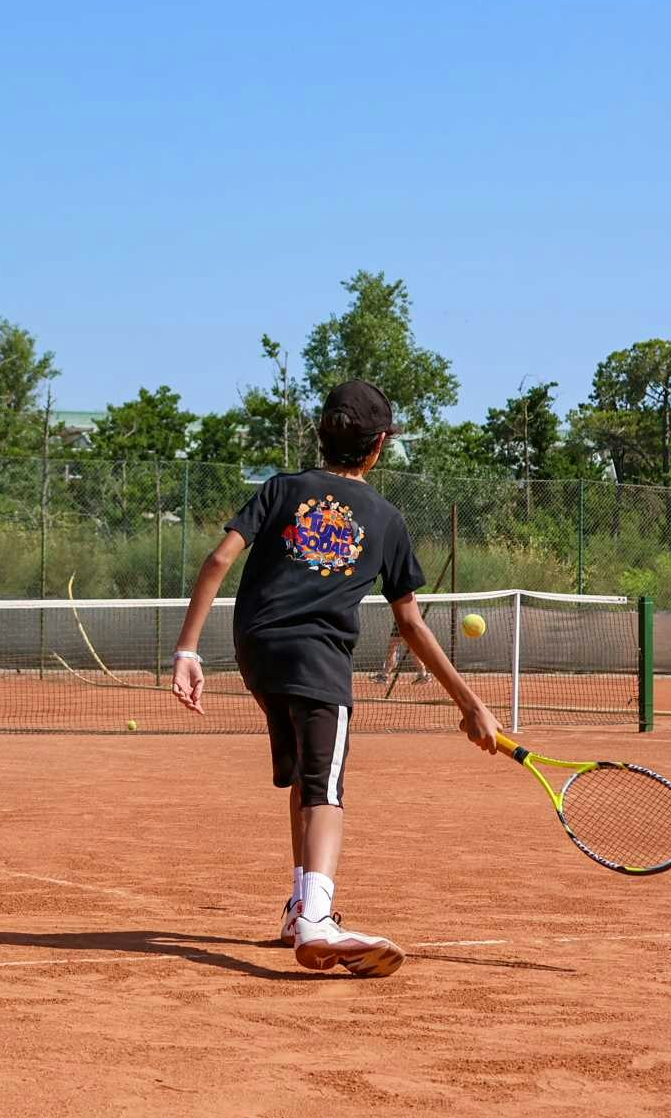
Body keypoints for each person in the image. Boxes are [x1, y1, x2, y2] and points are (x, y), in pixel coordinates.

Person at [169, 380, 498, 978]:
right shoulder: (387, 519)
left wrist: (187, 650)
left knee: (303, 775)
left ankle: (300, 909)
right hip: (317, 656)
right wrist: (471, 703)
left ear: (323, 438)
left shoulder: (280, 489)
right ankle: (319, 919)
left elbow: (218, 561)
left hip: (258, 651)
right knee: (327, 789)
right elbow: (412, 625)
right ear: (378, 449)